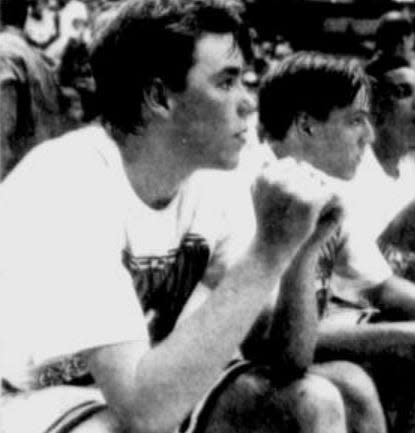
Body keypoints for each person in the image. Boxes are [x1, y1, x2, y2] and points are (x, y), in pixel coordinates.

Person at [0, 1, 367, 432]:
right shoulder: (68, 181)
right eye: (226, 82)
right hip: (22, 394)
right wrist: (268, 253)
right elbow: (143, 412)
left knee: (313, 401)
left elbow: (286, 357)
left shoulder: (211, 182)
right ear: (159, 97)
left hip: (129, 386)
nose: (248, 102)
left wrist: (303, 247)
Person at [253, 51, 415, 433]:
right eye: (356, 121)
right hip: (250, 366)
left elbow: (381, 281)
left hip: (321, 330)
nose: (369, 133)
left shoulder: (325, 186)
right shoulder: (259, 189)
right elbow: (274, 341)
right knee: (359, 379)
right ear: (307, 126)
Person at [0, 0, 65, 179]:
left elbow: (2, 131)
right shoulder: (37, 58)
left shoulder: (4, 52)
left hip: (13, 182)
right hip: (40, 175)